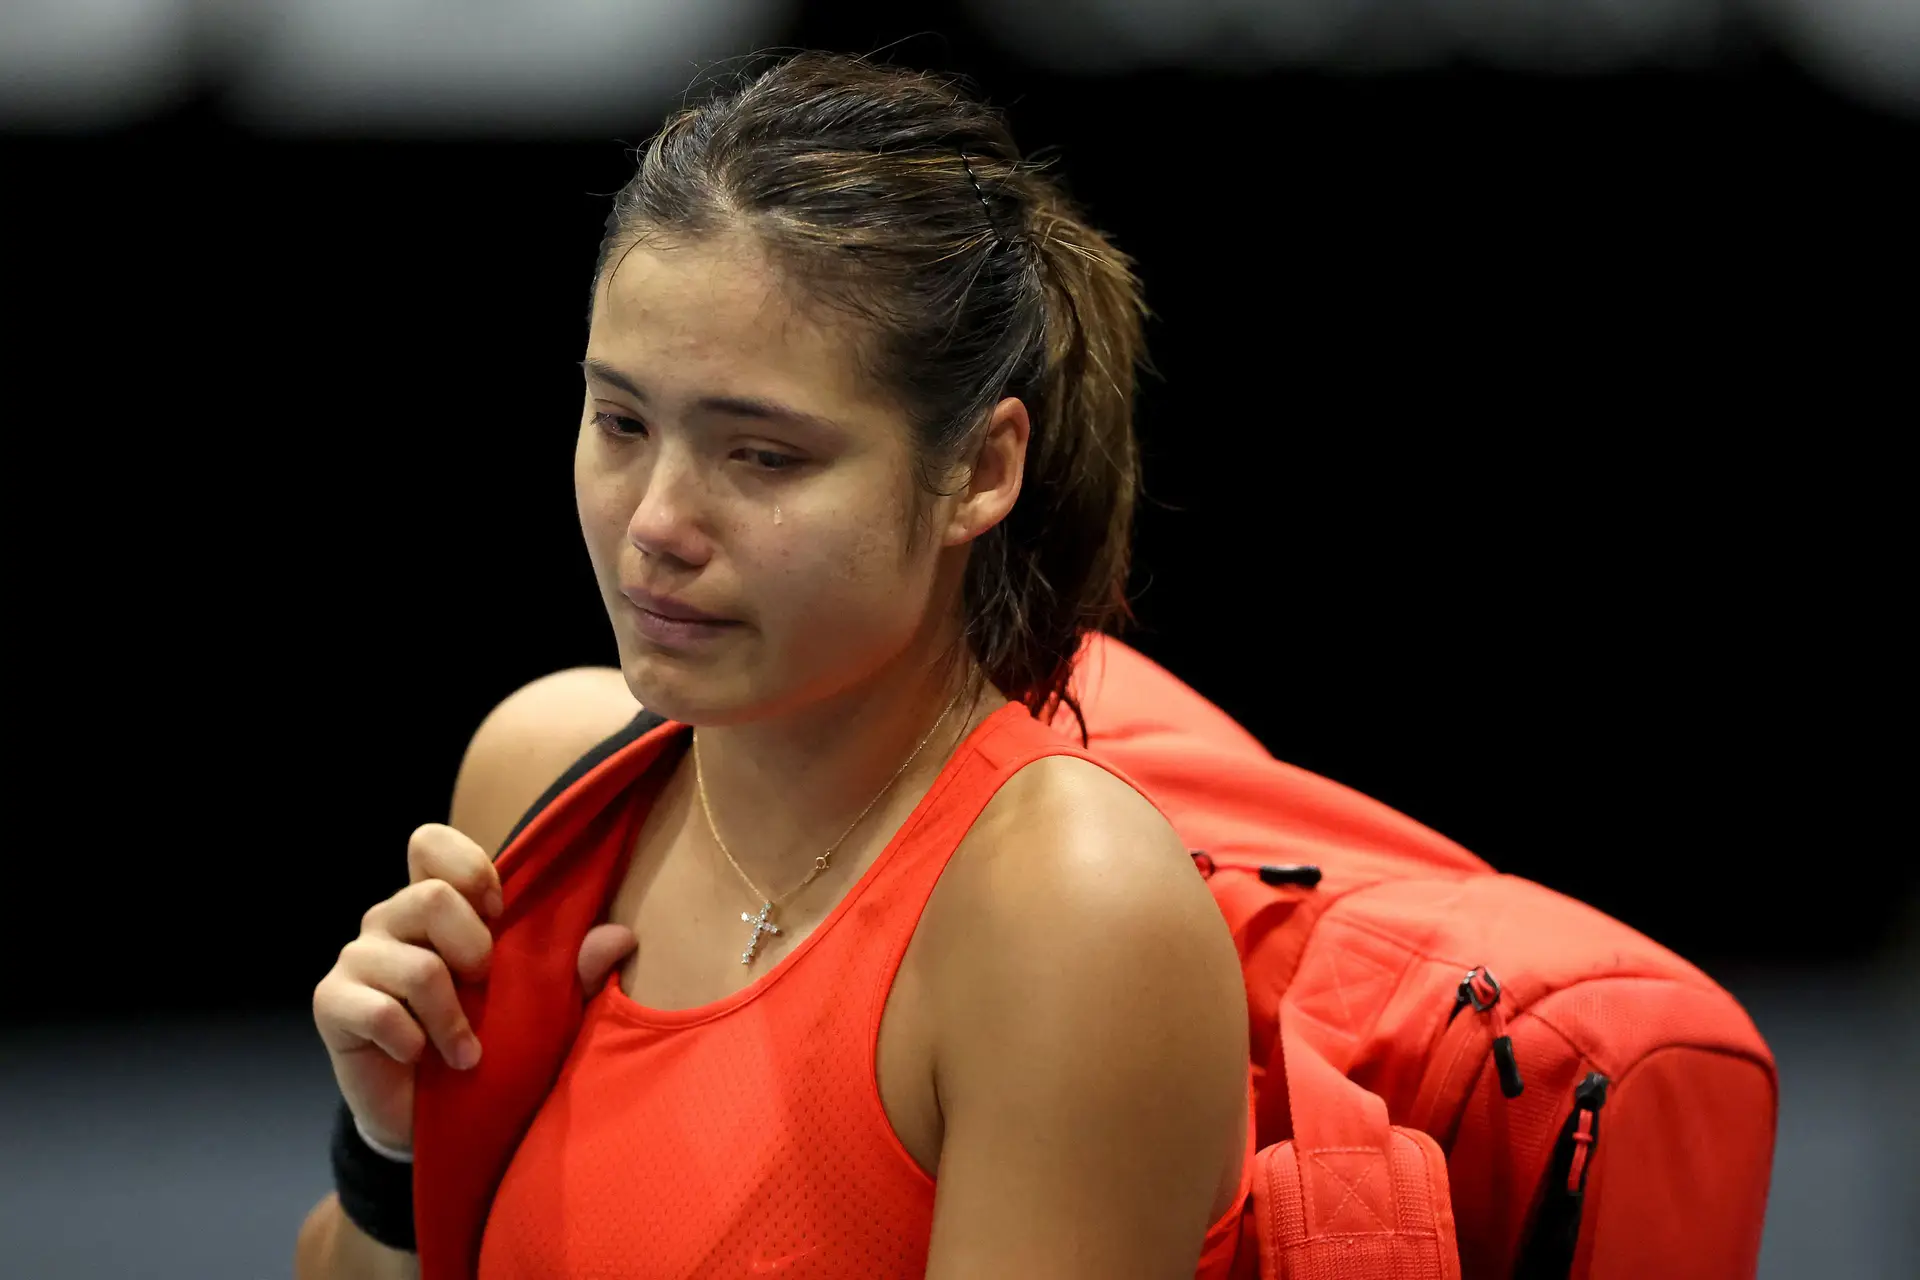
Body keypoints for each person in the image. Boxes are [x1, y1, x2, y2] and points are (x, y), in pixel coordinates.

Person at [298, 51, 1254, 1280]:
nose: (655, 522)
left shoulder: (1065, 908)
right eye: (621, 422)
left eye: (761, 456)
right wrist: (391, 1152)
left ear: (978, 470)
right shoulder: (542, 770)